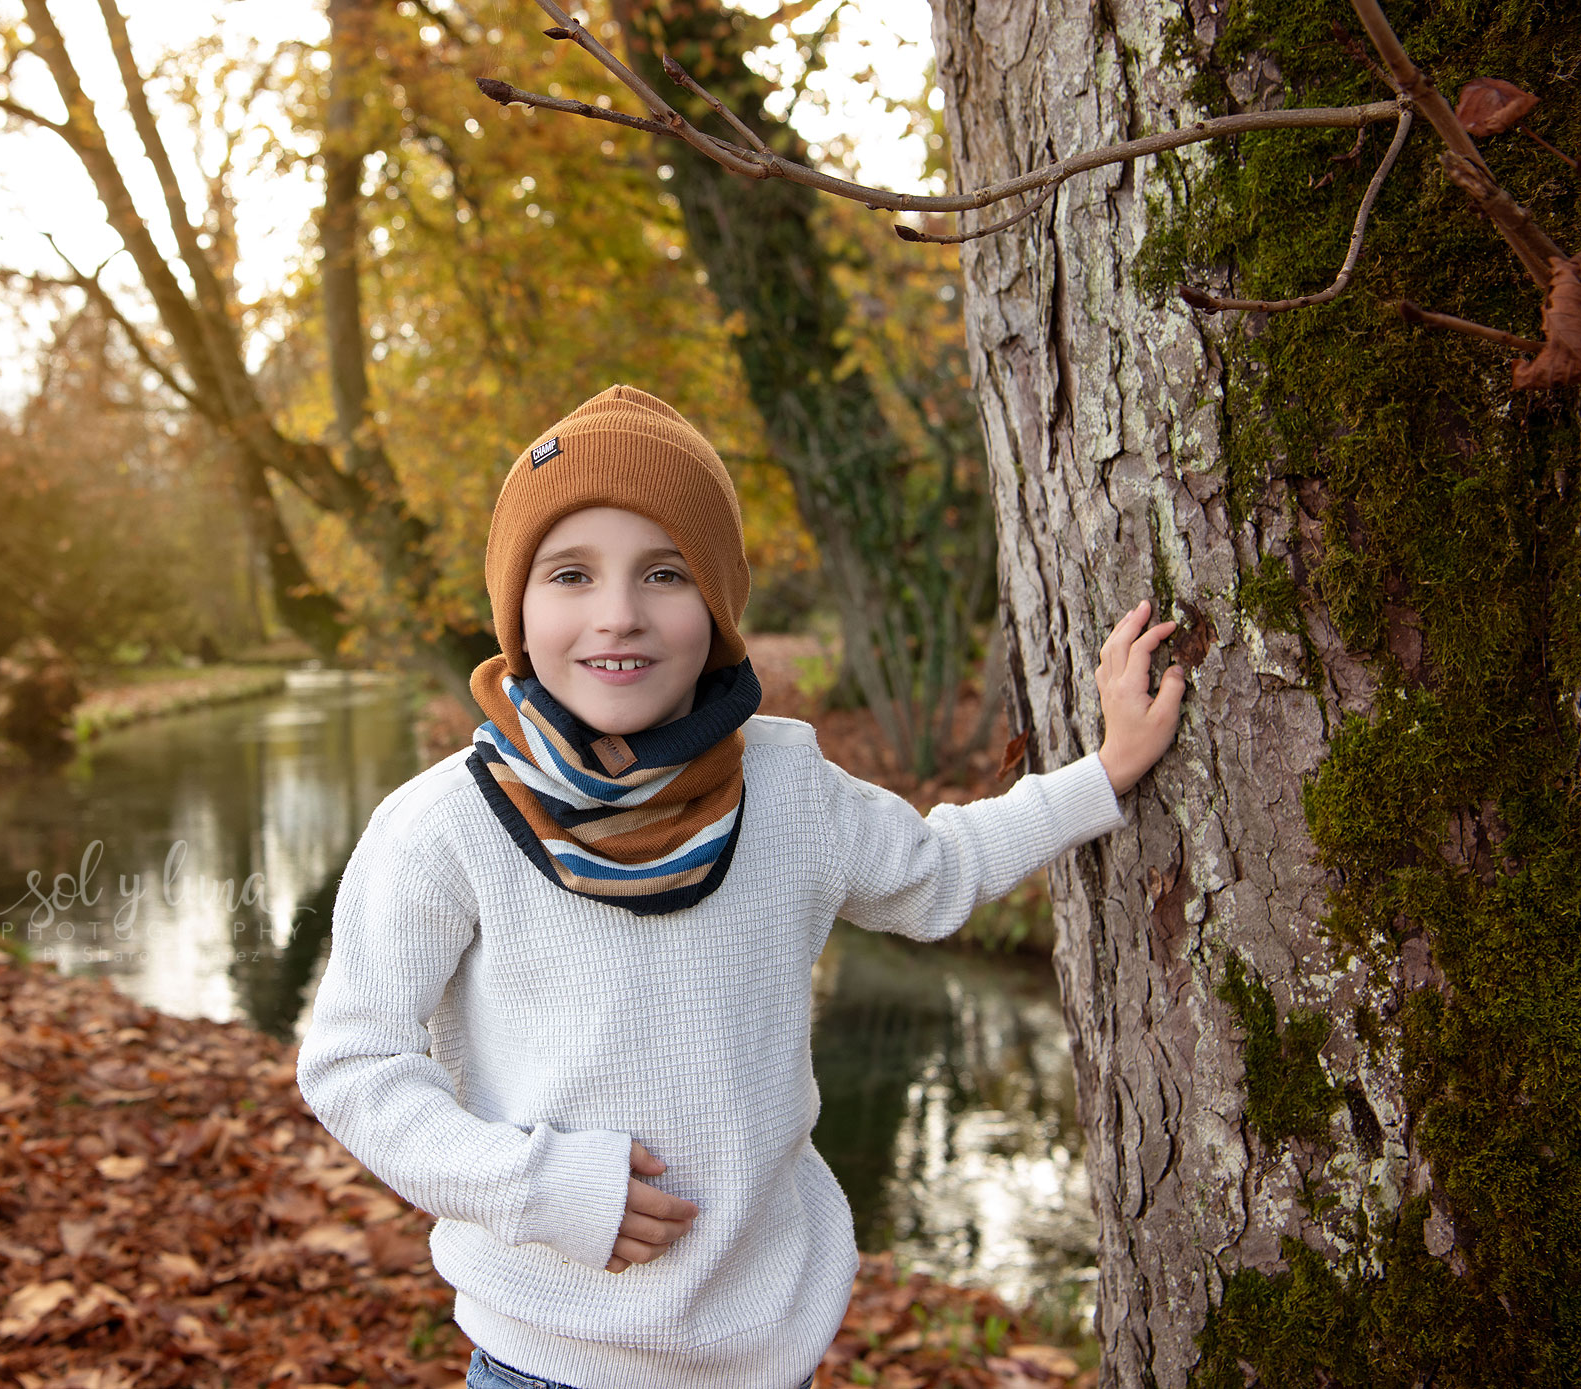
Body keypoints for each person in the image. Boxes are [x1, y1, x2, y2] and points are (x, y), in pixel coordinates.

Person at [295, 384, 1185, 1389]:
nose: (616, 615)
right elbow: (354, 1064)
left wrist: (1102, 772)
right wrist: (534, 1187)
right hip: (544, 1357)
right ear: (515, 605)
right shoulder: (445, 825)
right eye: (571, 574)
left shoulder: (786, 787)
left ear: (715, 606)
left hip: (764, 1355)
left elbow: (941, 871)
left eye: (663, 573)